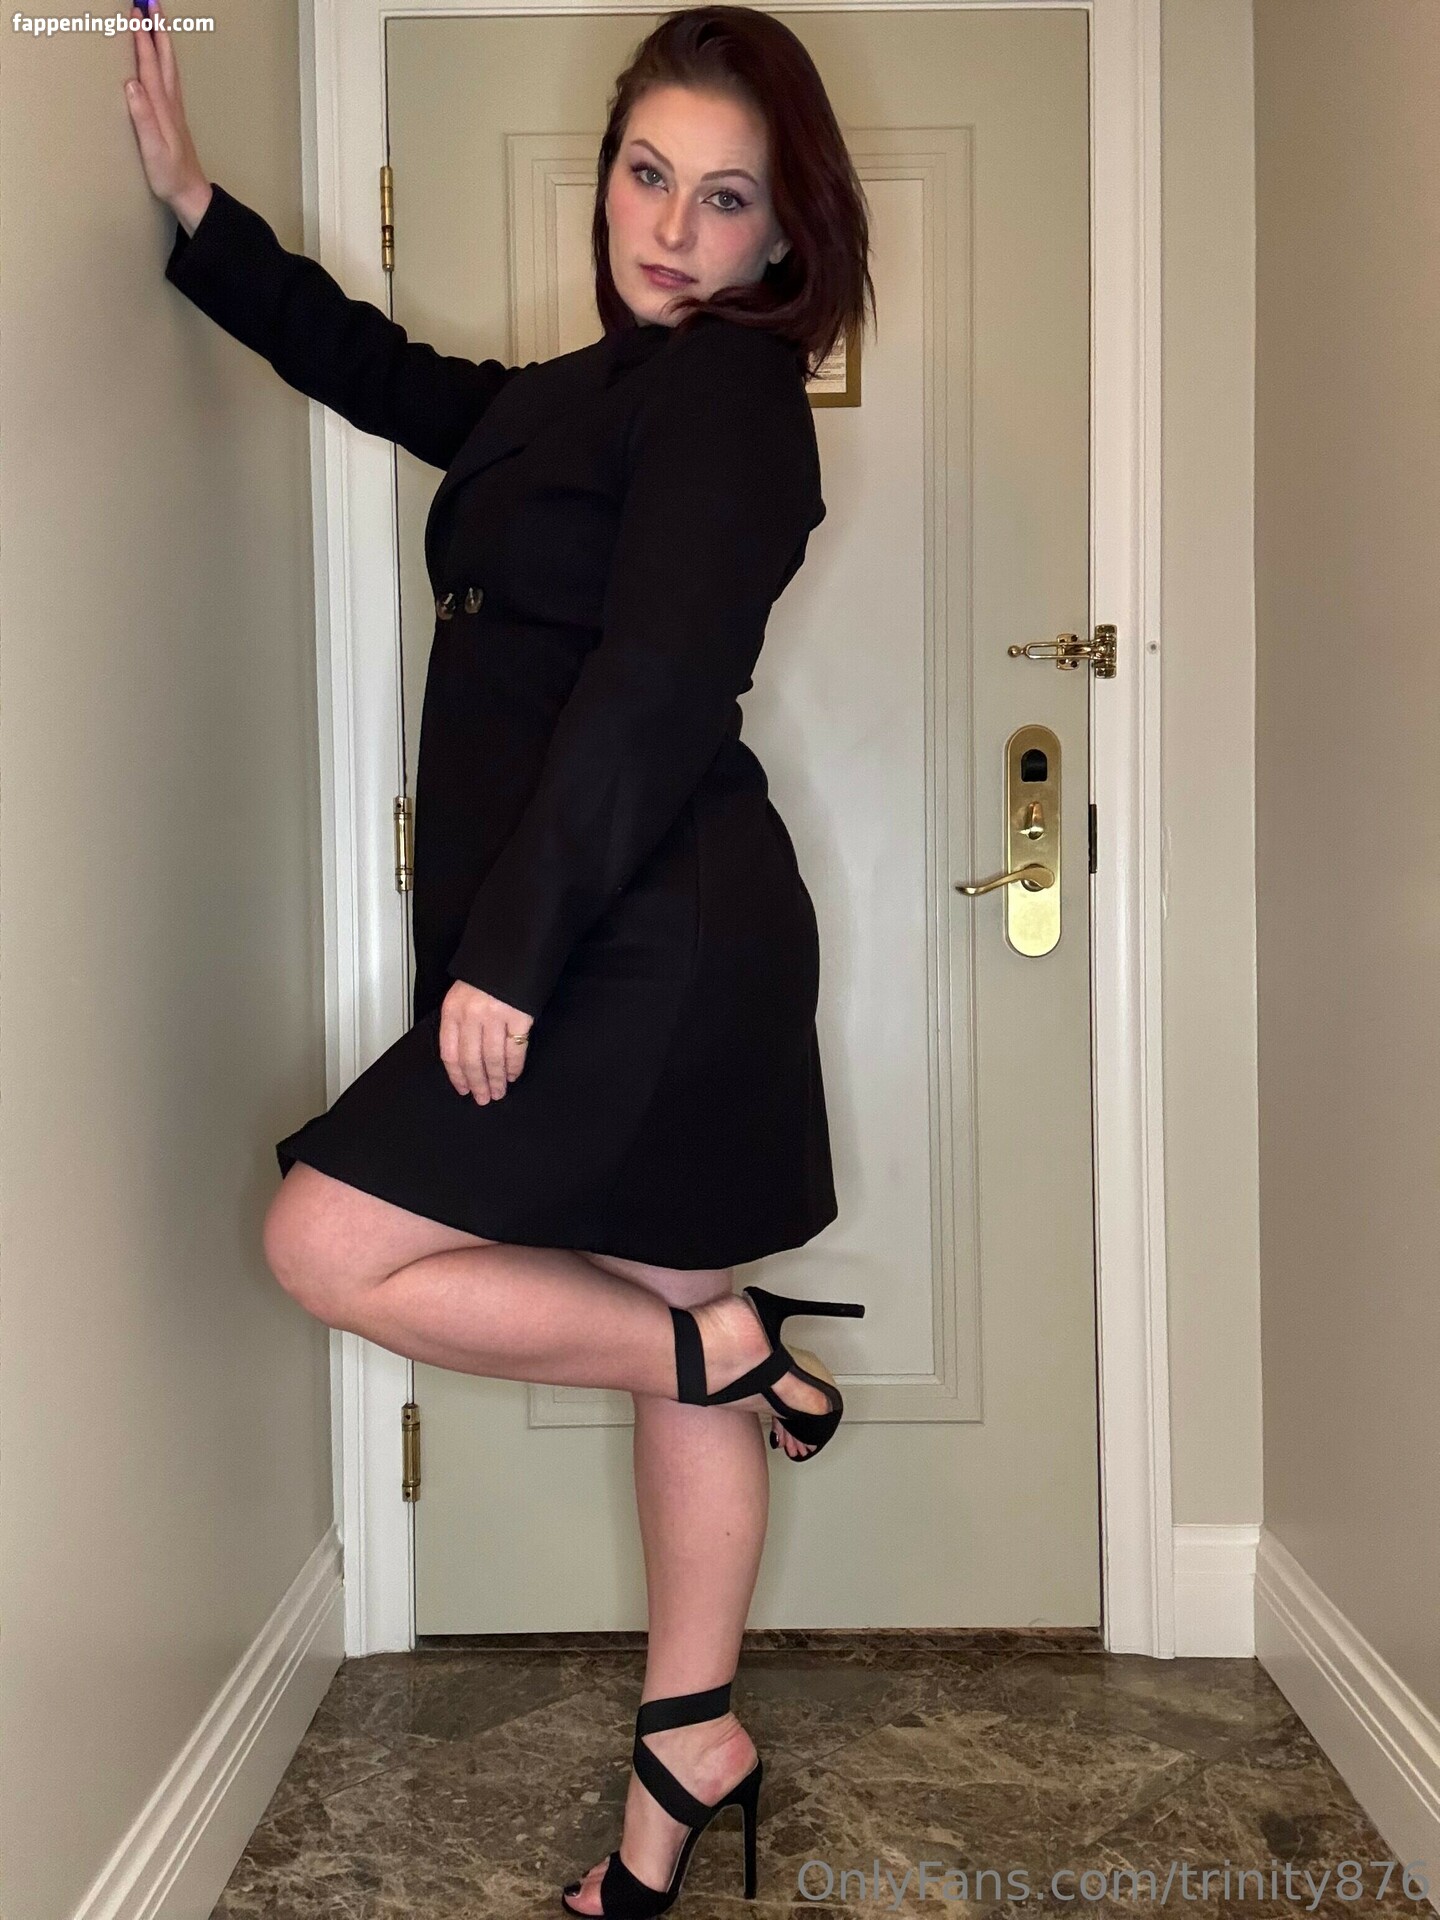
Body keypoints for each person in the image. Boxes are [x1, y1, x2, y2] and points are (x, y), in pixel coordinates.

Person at [128, 2, 874, 1911]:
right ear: (605, 173)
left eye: (726, 199)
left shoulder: (730, 398)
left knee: (327, 1243)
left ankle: (724, 1356)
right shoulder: (583, 394)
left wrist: (517, 958)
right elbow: (386, 373)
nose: (672, 229)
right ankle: (691, 1746)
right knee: (681, 1311)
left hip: (649, 939)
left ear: (784, 233)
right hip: (601, 925)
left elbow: (657, 684)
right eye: (648, 175)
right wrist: (201, 210)